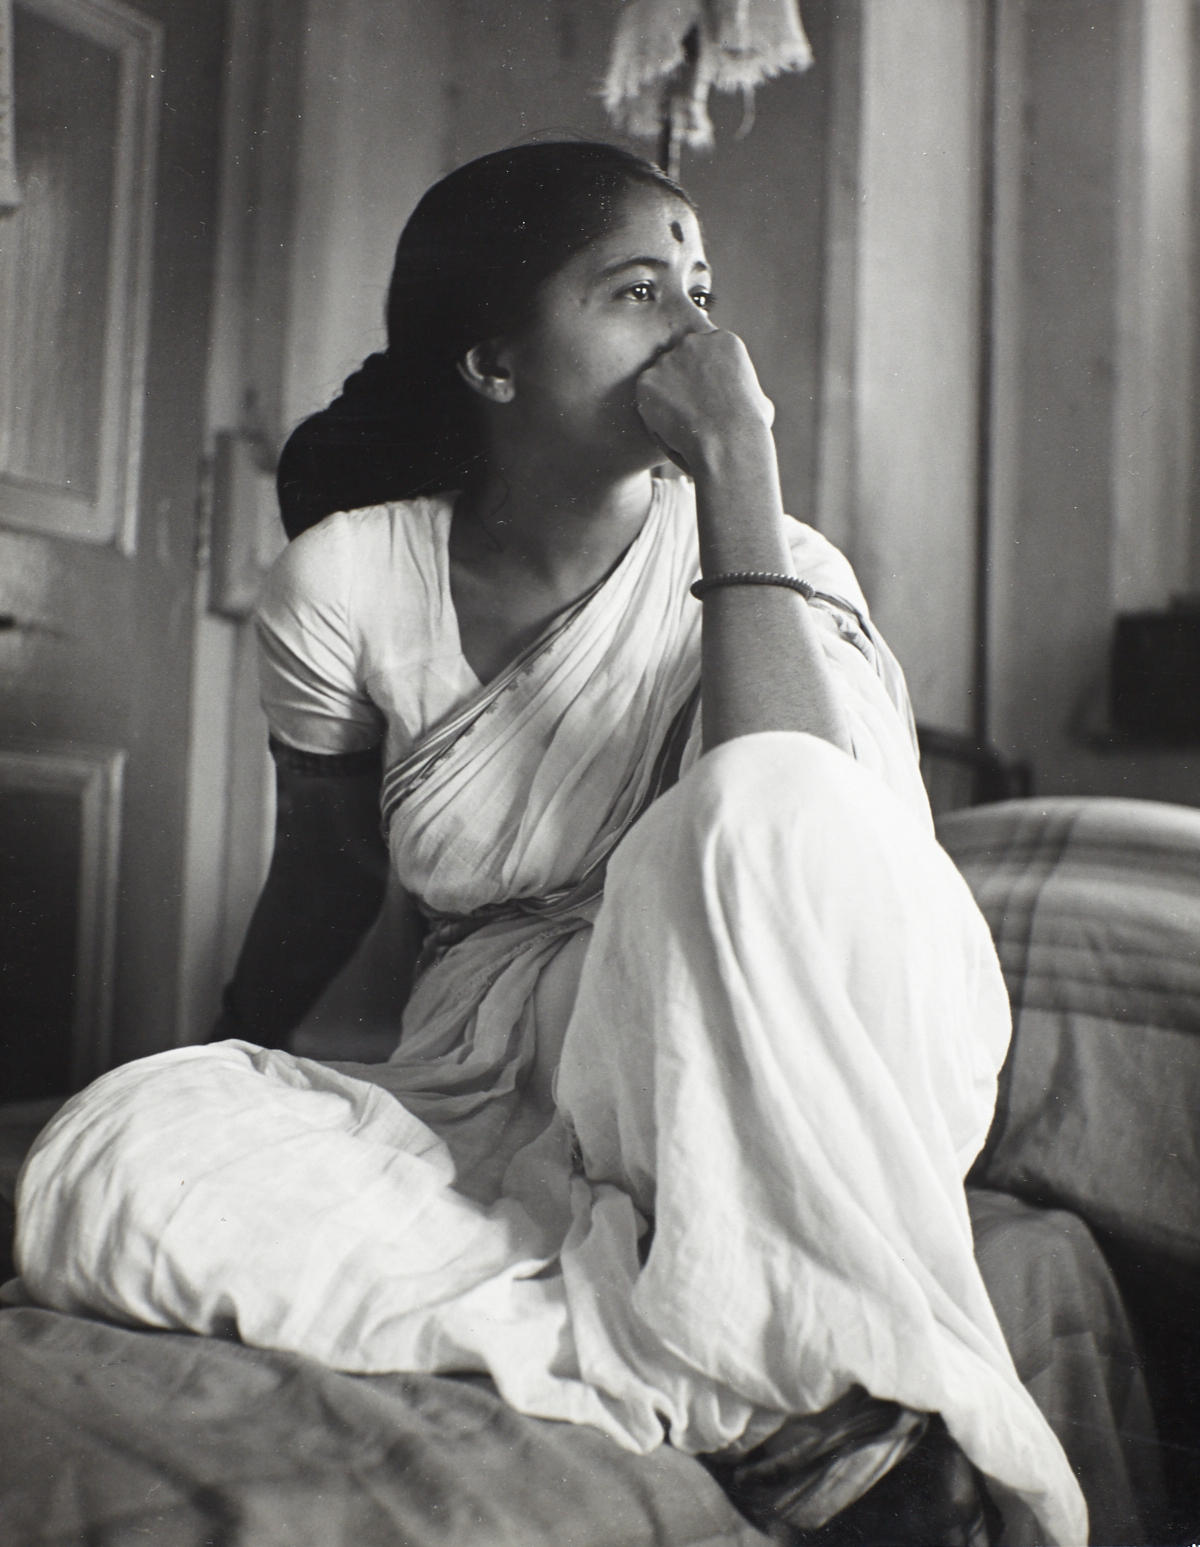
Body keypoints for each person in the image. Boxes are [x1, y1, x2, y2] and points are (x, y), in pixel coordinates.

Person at [14, 141, 1085, 1545]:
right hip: (497, 1069)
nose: (700, 335)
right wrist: (231, 1062)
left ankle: (758, 1318)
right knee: (112, 1158)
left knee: (747, 809)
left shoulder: (780, 559)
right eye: (641, 292)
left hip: (773, 1039)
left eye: (703, 291)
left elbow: (796, 830)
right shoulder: (348, 579)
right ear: (494, 364)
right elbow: (328, 868)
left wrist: (739, 472)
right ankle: (729, 1380)